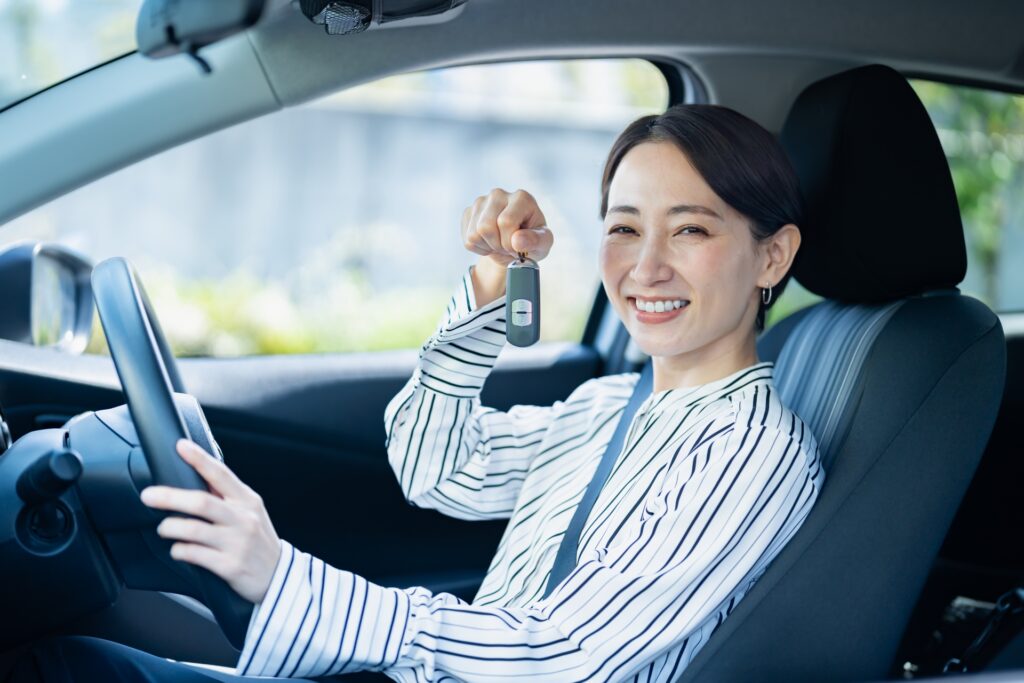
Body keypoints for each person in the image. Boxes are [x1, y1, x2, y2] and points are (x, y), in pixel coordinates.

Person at [7, 104, 824, 682]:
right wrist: (495, 290)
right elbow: (436, 466)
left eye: (690, 229)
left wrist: (284, 574)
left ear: (772, 256)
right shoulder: (610, 408)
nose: (644, 267)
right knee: (62, 661)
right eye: (622, 227)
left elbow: (556, 656)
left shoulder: (750, 448)